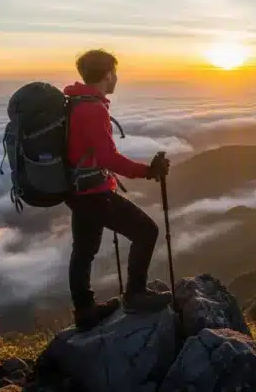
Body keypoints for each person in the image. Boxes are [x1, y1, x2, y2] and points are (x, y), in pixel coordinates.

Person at [64, 49, 173, 331]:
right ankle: (135, 294)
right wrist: (147, 171)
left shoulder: (75, 102)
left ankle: (85, 310)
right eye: (115, 71)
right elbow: (108, 158)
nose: (117, 77)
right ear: (108, 74)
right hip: (95, 194)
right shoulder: (93, 108)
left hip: (77, 192)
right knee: (147, 231)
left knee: (84, 252)